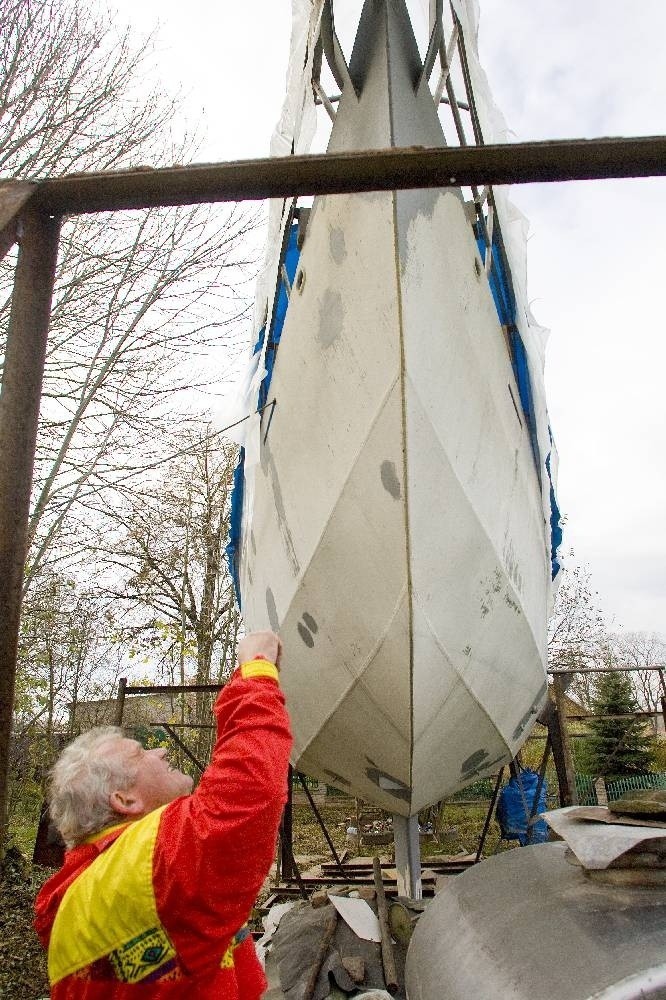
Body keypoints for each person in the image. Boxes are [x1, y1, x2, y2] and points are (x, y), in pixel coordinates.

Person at [34, 630, 292, 999]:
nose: (161, 752)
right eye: (141, 753)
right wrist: (257, 673)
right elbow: (247, 791)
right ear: (123, 800)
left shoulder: (109, 890)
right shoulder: (143, 874)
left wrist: (245, 680)